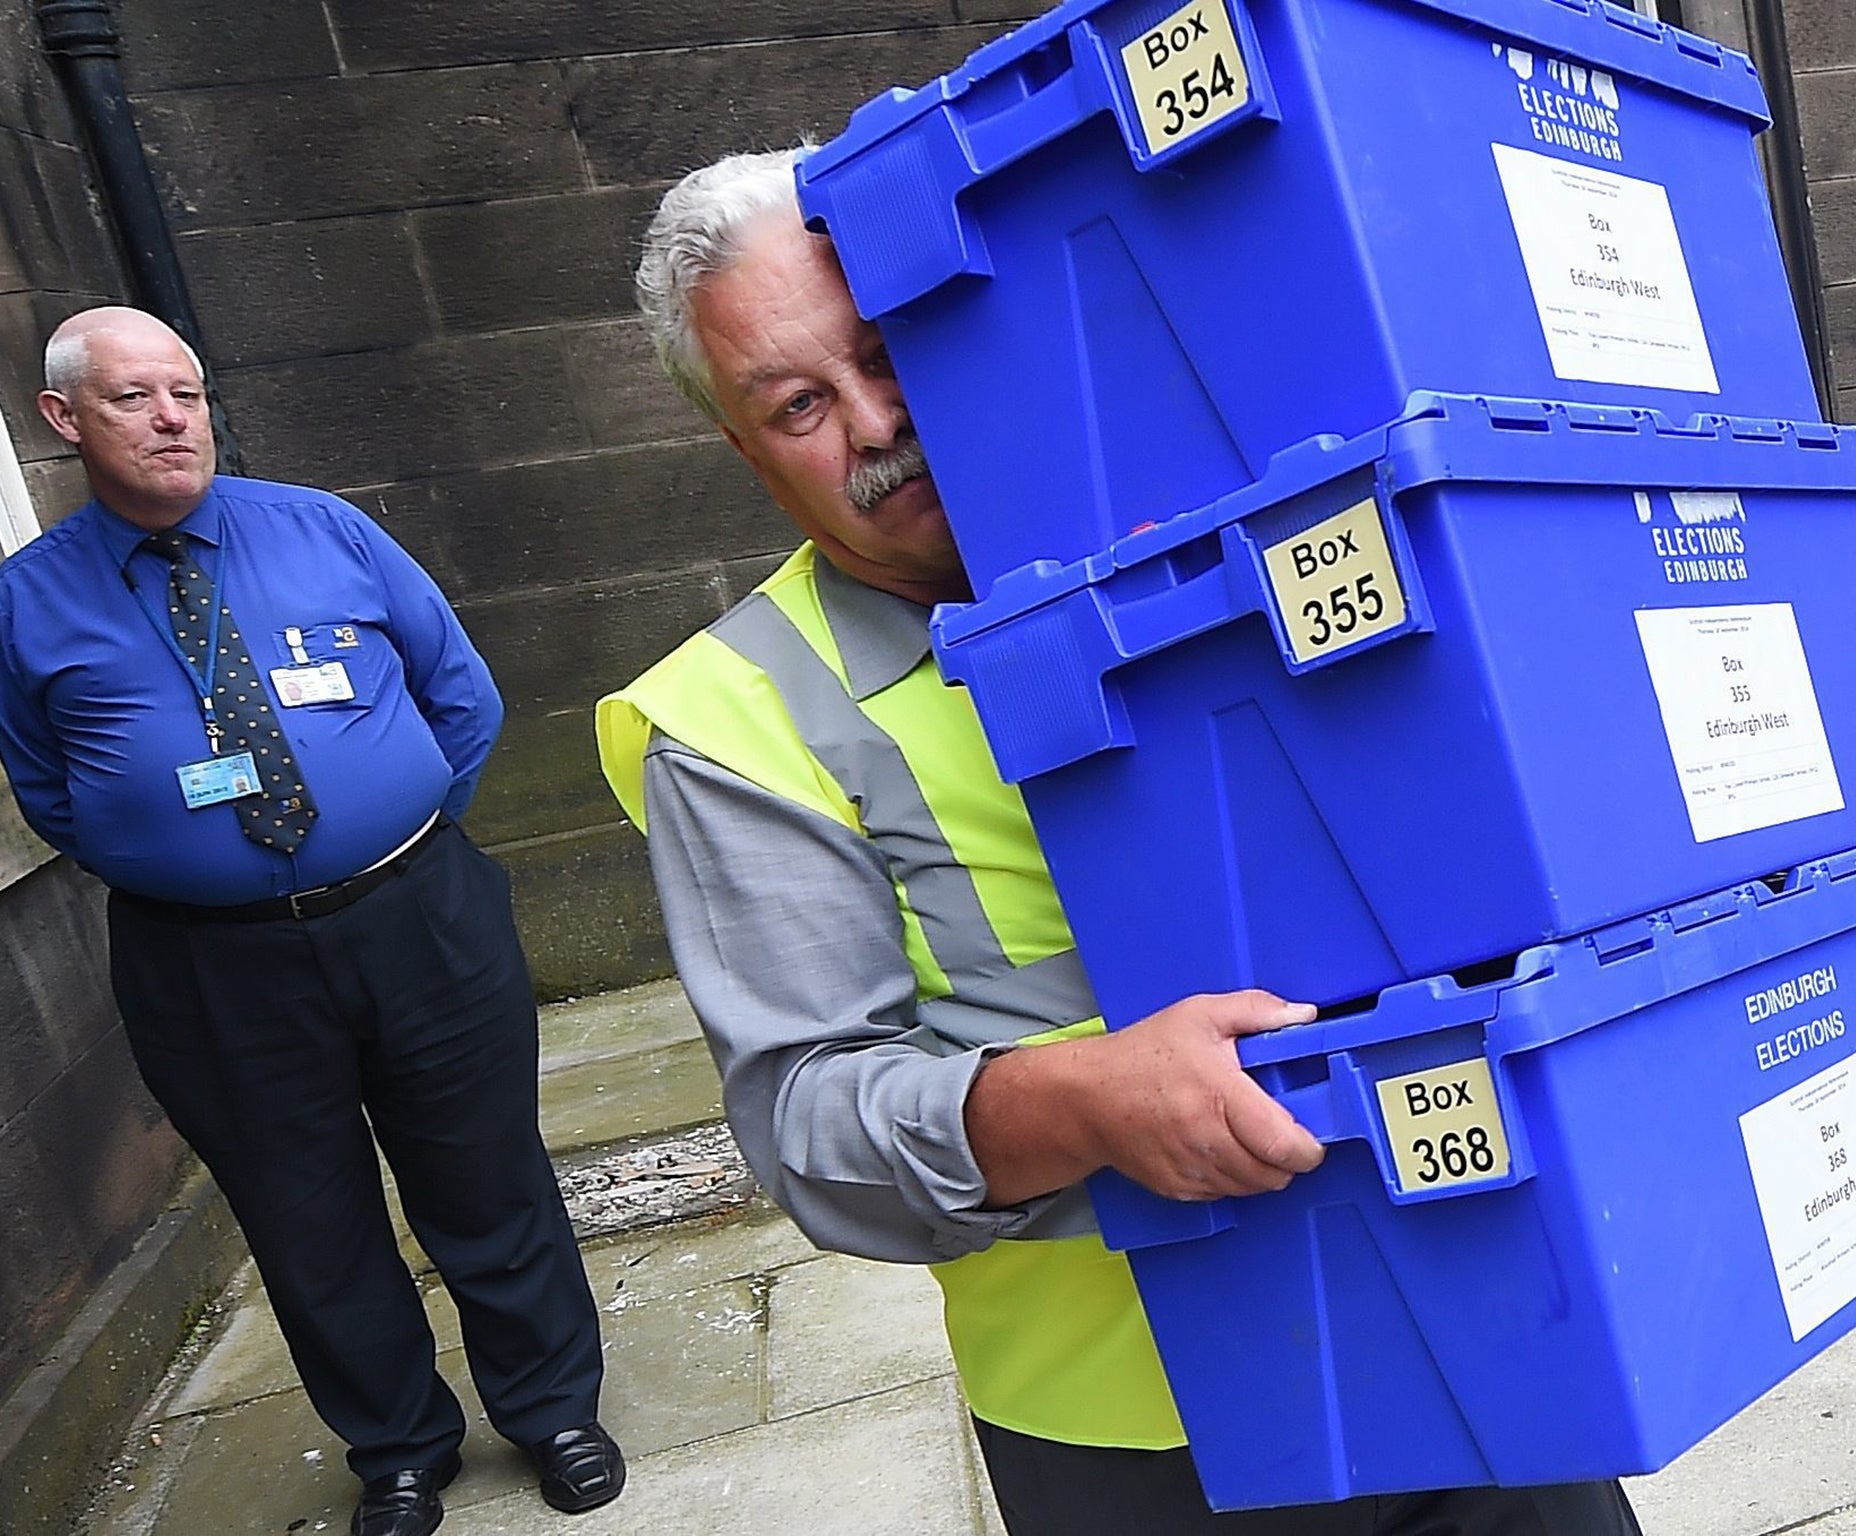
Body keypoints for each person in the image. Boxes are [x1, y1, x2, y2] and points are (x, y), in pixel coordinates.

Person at [597, 151, 1646, 1535]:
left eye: (884, 352)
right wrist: (1089, 1102)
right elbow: (813, 1126)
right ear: (744, 449)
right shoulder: (728, 720)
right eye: (800, 404)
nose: (873, 422)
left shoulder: (1221, 527)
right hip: (1148, 1430)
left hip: (1467, 1271)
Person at [0, 307, 627, 1536]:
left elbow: (459, 695)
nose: (175, 418)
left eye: (188, 392)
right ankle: (398, 1449)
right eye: (135, 399)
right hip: (210, 967)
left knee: (485, 1176)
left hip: (417, 918)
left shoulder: (324, 529)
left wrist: (388, 836)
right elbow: (49, 792)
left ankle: (553, 1409)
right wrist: (188, 864)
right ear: (63, 422)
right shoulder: (26, 605)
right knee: (304, 1214)